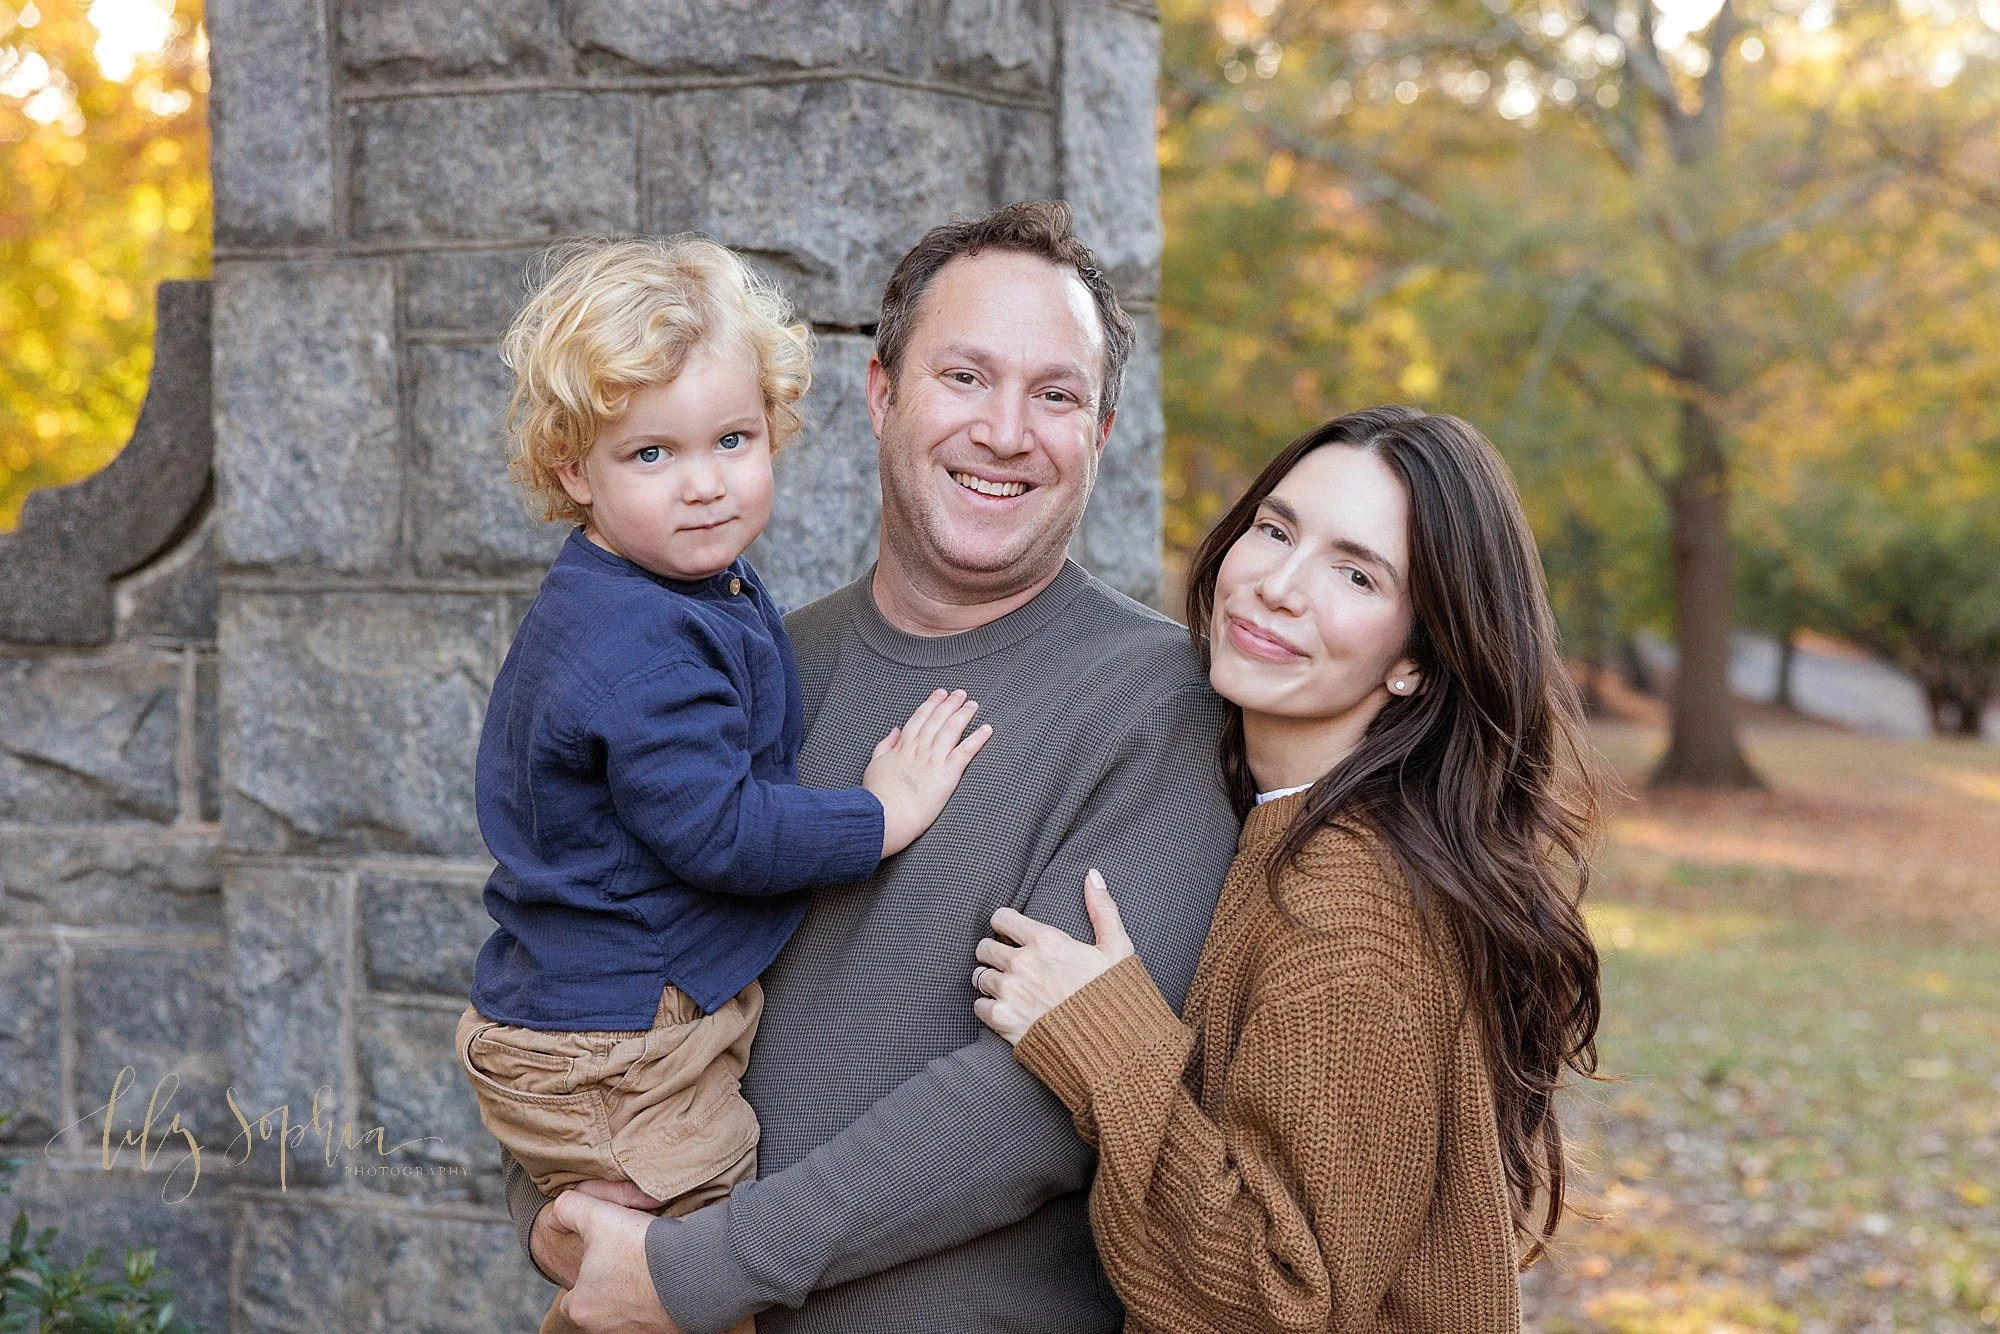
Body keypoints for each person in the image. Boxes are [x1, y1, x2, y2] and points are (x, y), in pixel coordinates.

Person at [501, 201, 1244, 1333]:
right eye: (964, 377)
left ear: (1097, 434)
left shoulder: (1163, 705)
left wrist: (700, 1268)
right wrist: (558, 1203)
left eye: (1054, 394)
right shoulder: (746, 668)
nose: (1004, 429)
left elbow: (1040, 1096)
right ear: (881, 393)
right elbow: (581, 948)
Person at [457, 236, 993, 1334]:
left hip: (597, 1019)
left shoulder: (668, 585)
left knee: (640, 1263)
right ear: (575, 471)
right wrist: (880, 814)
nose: (704, 482)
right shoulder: (640, 647)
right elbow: (718, 831)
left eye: (732, 439)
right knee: (684, 1275)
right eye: (650, 454)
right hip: (614, 1040)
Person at [973, 406, 1605, 1332]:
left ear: (1417, 664)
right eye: (1275, 530)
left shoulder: (1347, 904)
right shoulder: (1303, 825)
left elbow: (1281, 1301)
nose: (1278, 585)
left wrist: (1105, 1043)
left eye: (1355, 573)